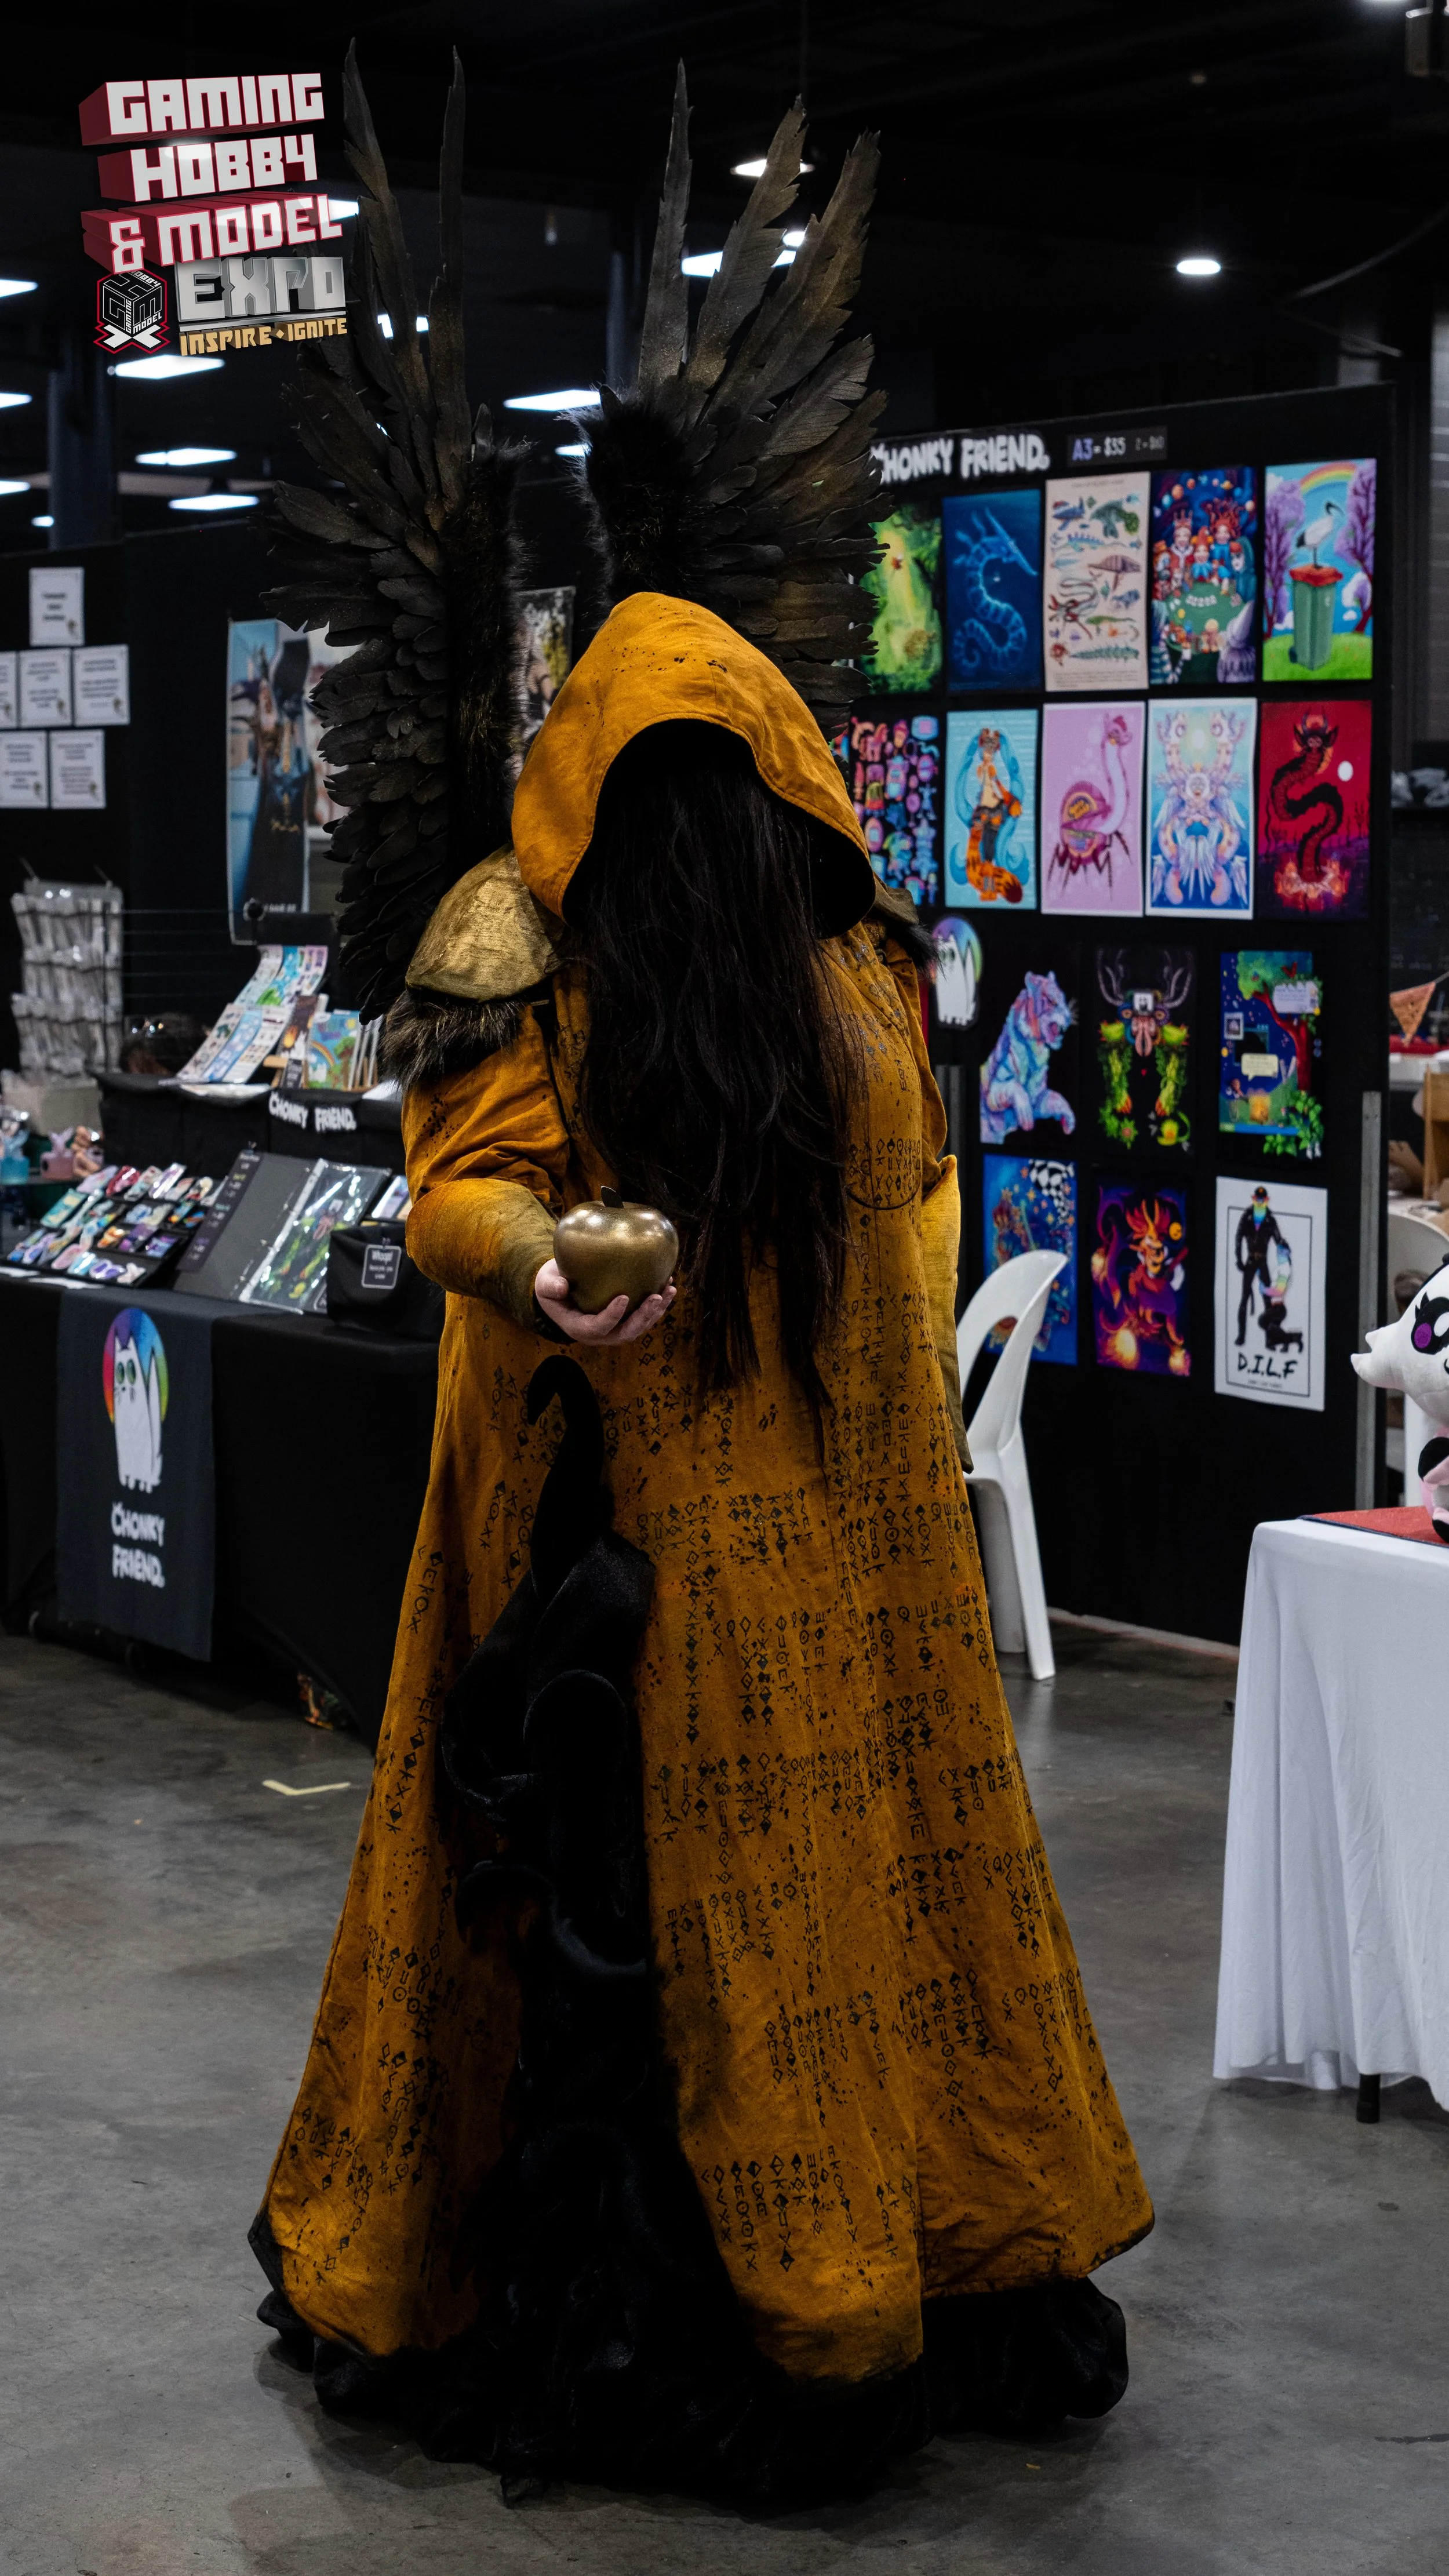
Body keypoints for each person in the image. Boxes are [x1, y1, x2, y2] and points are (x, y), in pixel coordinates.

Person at [250, 57, 1151, 2505]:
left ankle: (846, 2256)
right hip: (640, 1580)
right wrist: (552, 1259)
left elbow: (878, 1196)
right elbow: (453, 1178)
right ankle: (785, 2282)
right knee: (665, 1967)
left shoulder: (829, 963)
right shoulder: (597, 931)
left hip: (803, 1575)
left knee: (780, 1939)